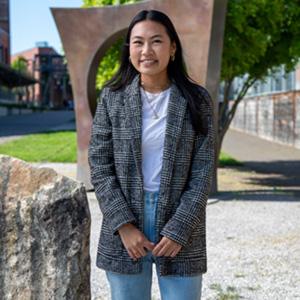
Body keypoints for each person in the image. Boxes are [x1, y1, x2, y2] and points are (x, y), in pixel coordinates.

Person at [88, 9, 215, 300]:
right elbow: (99, 164)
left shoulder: (197, 100)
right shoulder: (113, 97)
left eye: (156, 41)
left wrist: (179, 228)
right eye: (138, 42)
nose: (146, 51)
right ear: (129, 49)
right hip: (125, 222)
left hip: (181, 219)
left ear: (172, 48)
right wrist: (124, 225)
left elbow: (203, 171)